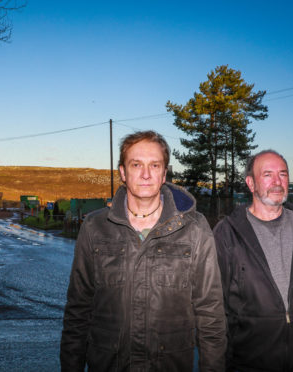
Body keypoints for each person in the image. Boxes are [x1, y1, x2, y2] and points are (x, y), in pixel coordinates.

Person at [60, 130, 227, 371]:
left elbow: (211, 314)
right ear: (122, 173)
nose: (146, 174)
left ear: (164, 174)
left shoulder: (195, 228)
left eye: (155, 165)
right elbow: (78, 311)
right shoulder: (95, 227)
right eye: (136, 164)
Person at [213, 149, 293, 372]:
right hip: (245, 365)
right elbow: (214, 310)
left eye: (283, 174)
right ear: (250, 183)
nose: (277, 181)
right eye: (267, 174)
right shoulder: (227, 234)